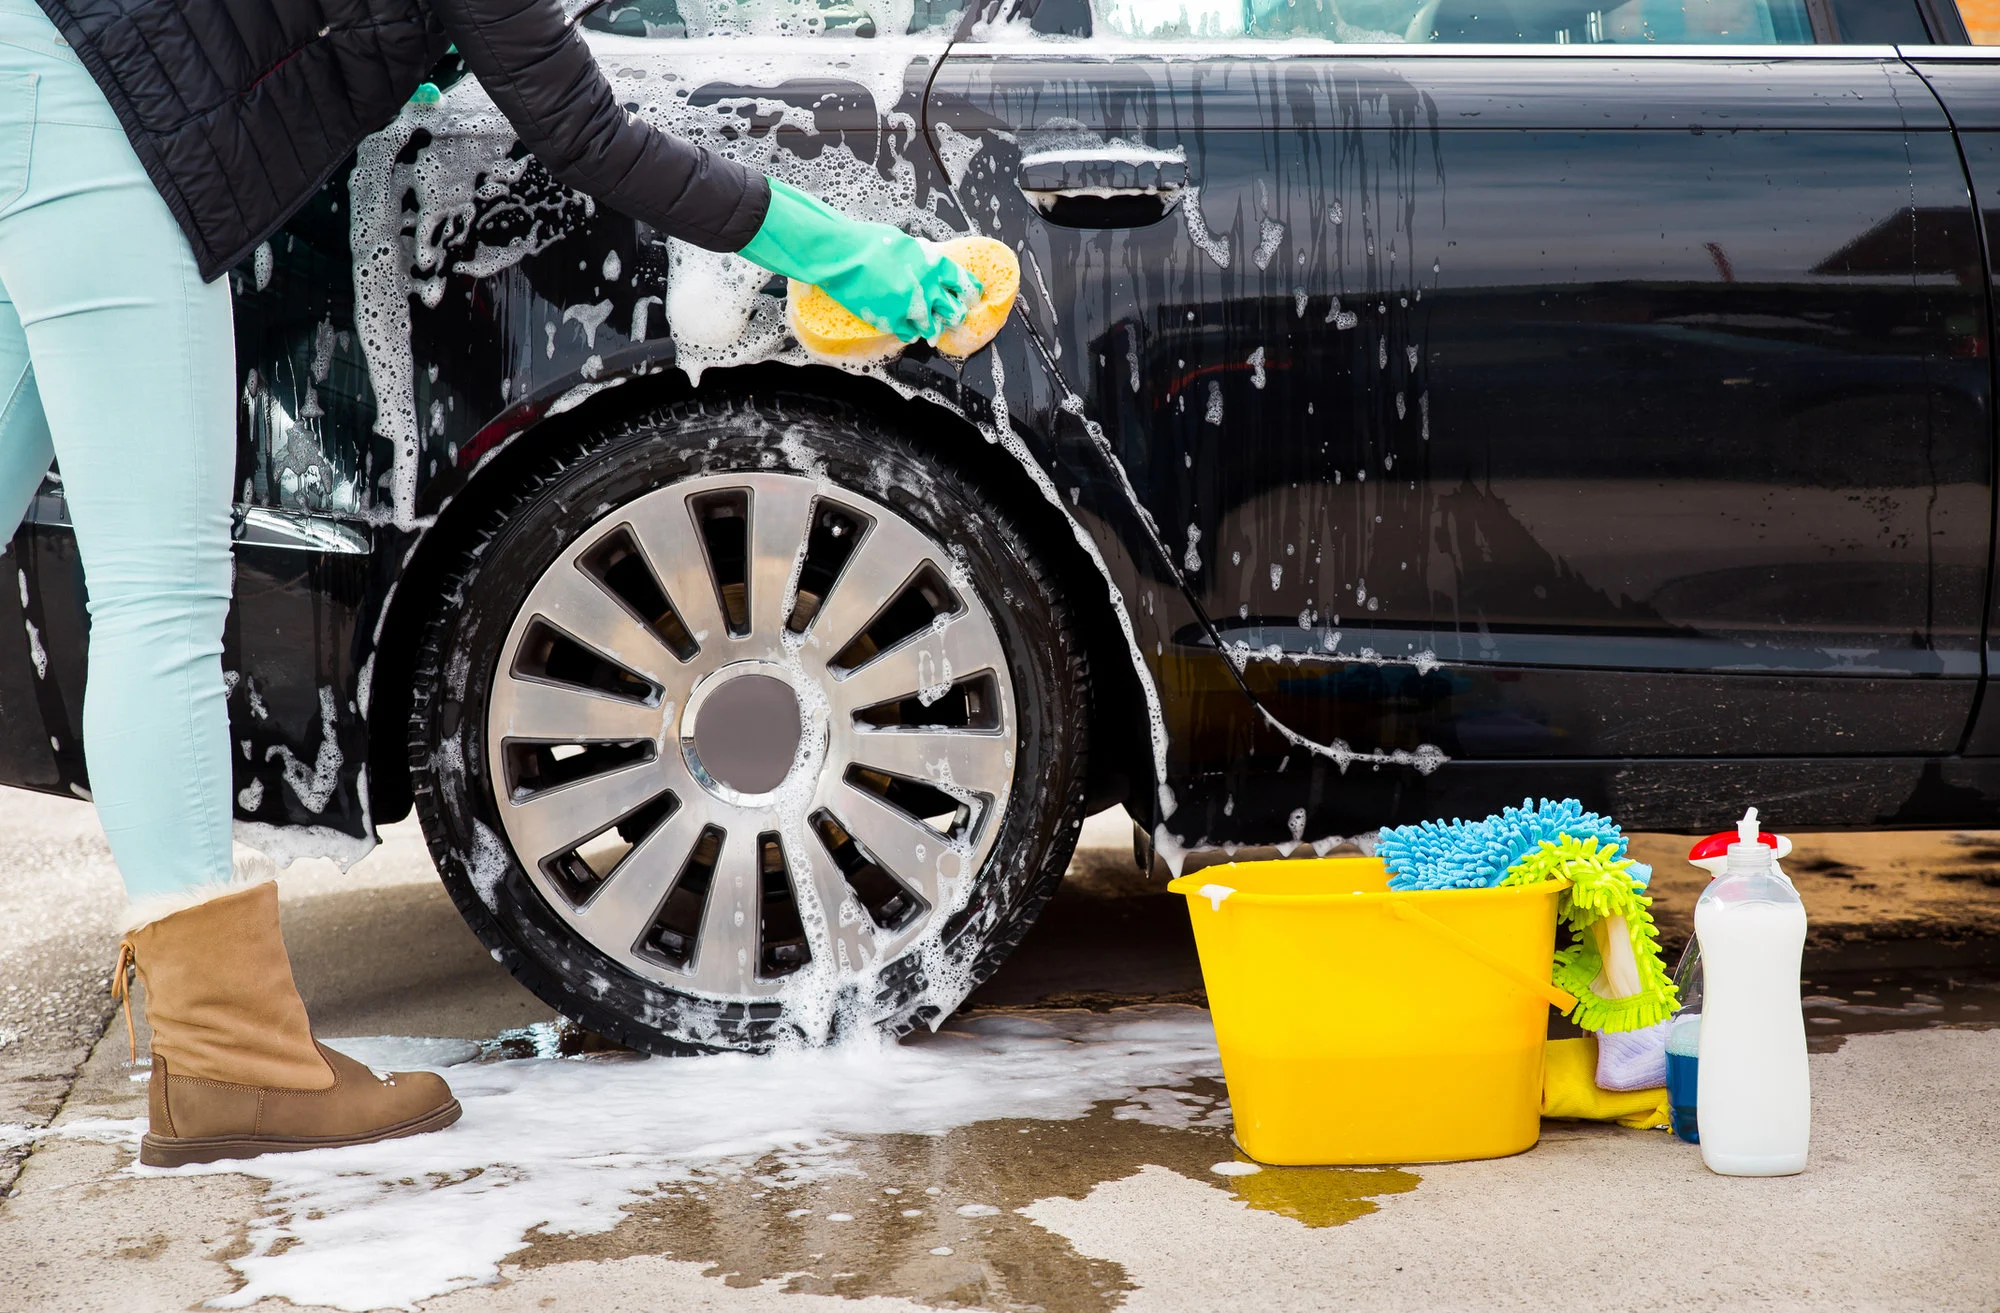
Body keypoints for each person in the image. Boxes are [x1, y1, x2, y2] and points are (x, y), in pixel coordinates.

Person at [0, 0, 978, 1168]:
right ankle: (229, 1061)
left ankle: (225, 1057)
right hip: (97, 122)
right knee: (157, 599)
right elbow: (589, 135)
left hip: (40, 74)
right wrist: (831, 247)